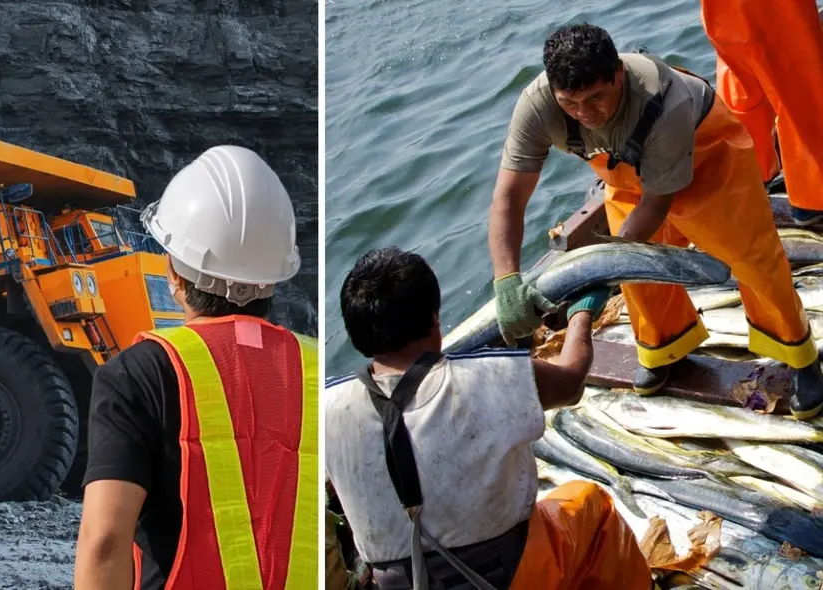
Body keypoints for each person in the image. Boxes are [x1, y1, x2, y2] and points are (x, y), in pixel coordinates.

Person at [488, 23, 823, 419]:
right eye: (570, 103)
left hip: (709, 161)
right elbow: (509, 196)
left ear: (619, 75)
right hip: (628, 175)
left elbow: (656, 203)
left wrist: (602, 271)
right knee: (637, 275)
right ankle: (667, 349)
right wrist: (506, 279)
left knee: (752, 259)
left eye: (597, 98)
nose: (585, 114)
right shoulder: (537, 105)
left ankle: (800, 356)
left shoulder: (665, 102)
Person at [325, 246, 652, 590]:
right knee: (592, 508)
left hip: (400, 584)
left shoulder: (329, 406)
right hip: (508, 575)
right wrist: (582, 315)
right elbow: (571, 383)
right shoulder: (488, 377)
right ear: (435, 318)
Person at [72, 145, 319, 590]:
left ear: (173, 272)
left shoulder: (137, 375)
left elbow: (104, 542)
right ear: (276, 275)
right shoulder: (316, 367)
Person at [701, 1, 823, 225]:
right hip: (774, 8)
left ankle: (751, 179)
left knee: (743, 80)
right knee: (801, 87)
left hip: (721, 12)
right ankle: (812, 198)